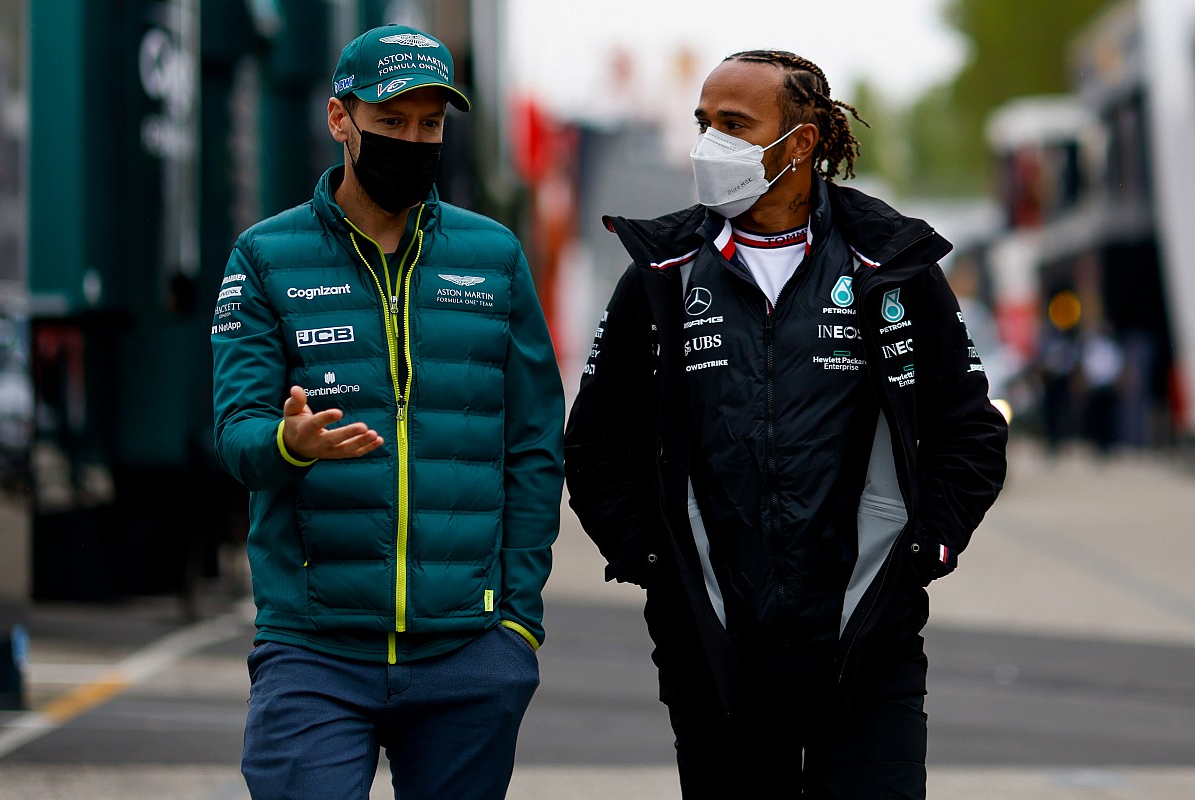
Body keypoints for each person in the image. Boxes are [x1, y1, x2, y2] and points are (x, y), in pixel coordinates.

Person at [564, 49, 1008, 798]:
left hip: (868, 644)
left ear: (800, 144)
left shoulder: (890, 263)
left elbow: (968, 427)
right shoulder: (661, 273)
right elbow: (596, 440)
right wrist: (655, 561)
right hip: (715, 653)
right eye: (704, 123)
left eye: (735, 125)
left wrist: (923, 549)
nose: (711, 144)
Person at [210, 24, 564, 800]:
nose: (415, 139)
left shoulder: (495, 257)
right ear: (342, 121)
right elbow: (236, 440)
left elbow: (536, 442)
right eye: (392, 122)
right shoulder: (265, 258)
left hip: (468, 656)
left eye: (431, 124)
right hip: (314, 651)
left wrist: (517, 626)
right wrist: (290, 441)